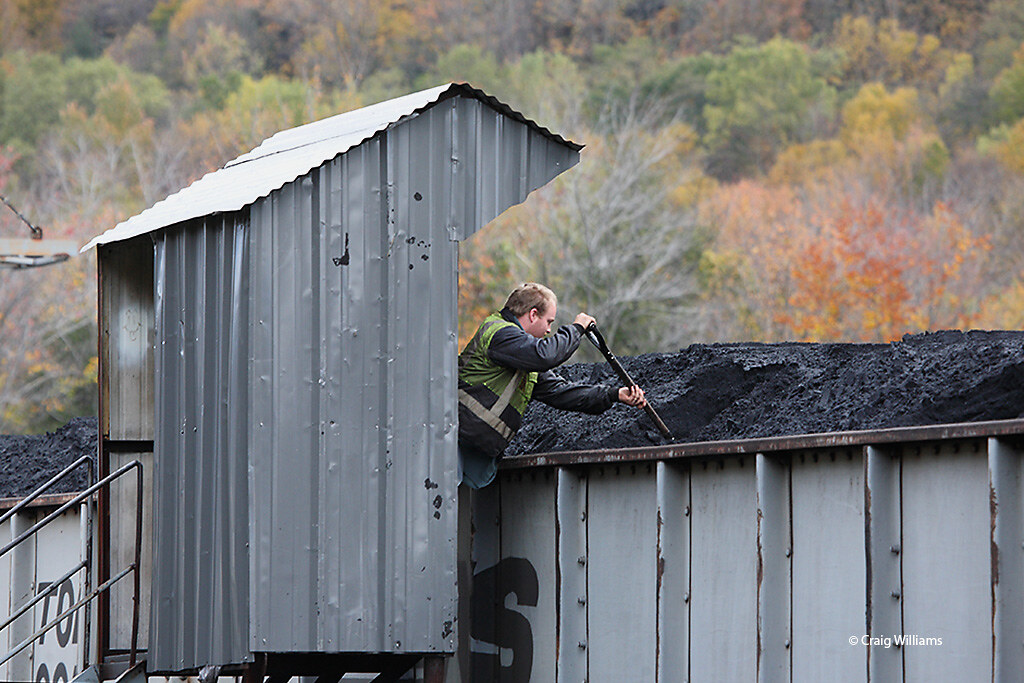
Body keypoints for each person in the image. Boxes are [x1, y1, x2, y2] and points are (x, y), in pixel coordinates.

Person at [458, 282, 647, 488]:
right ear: (533, 315)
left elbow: (560, 392)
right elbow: (545, 355)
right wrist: (577, 328)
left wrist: (614, 394)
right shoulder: (500, 334)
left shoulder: (523, 359)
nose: (549, 330)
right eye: (548, 321)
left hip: (472, 448)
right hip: (454, 440)